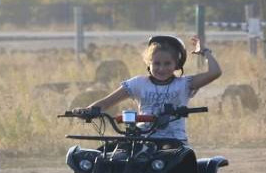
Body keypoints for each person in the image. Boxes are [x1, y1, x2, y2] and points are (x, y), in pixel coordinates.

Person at [82, 35, 222, 144]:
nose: (161, 68)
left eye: (167, 63)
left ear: (176, 65)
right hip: (143, 139)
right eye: (156, 63)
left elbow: (215, 72)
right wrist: (86, 111)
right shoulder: (138, 83)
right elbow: (106, 103)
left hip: (174, 142)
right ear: (149, 64)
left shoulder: (184, 84)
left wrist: (205, 52)